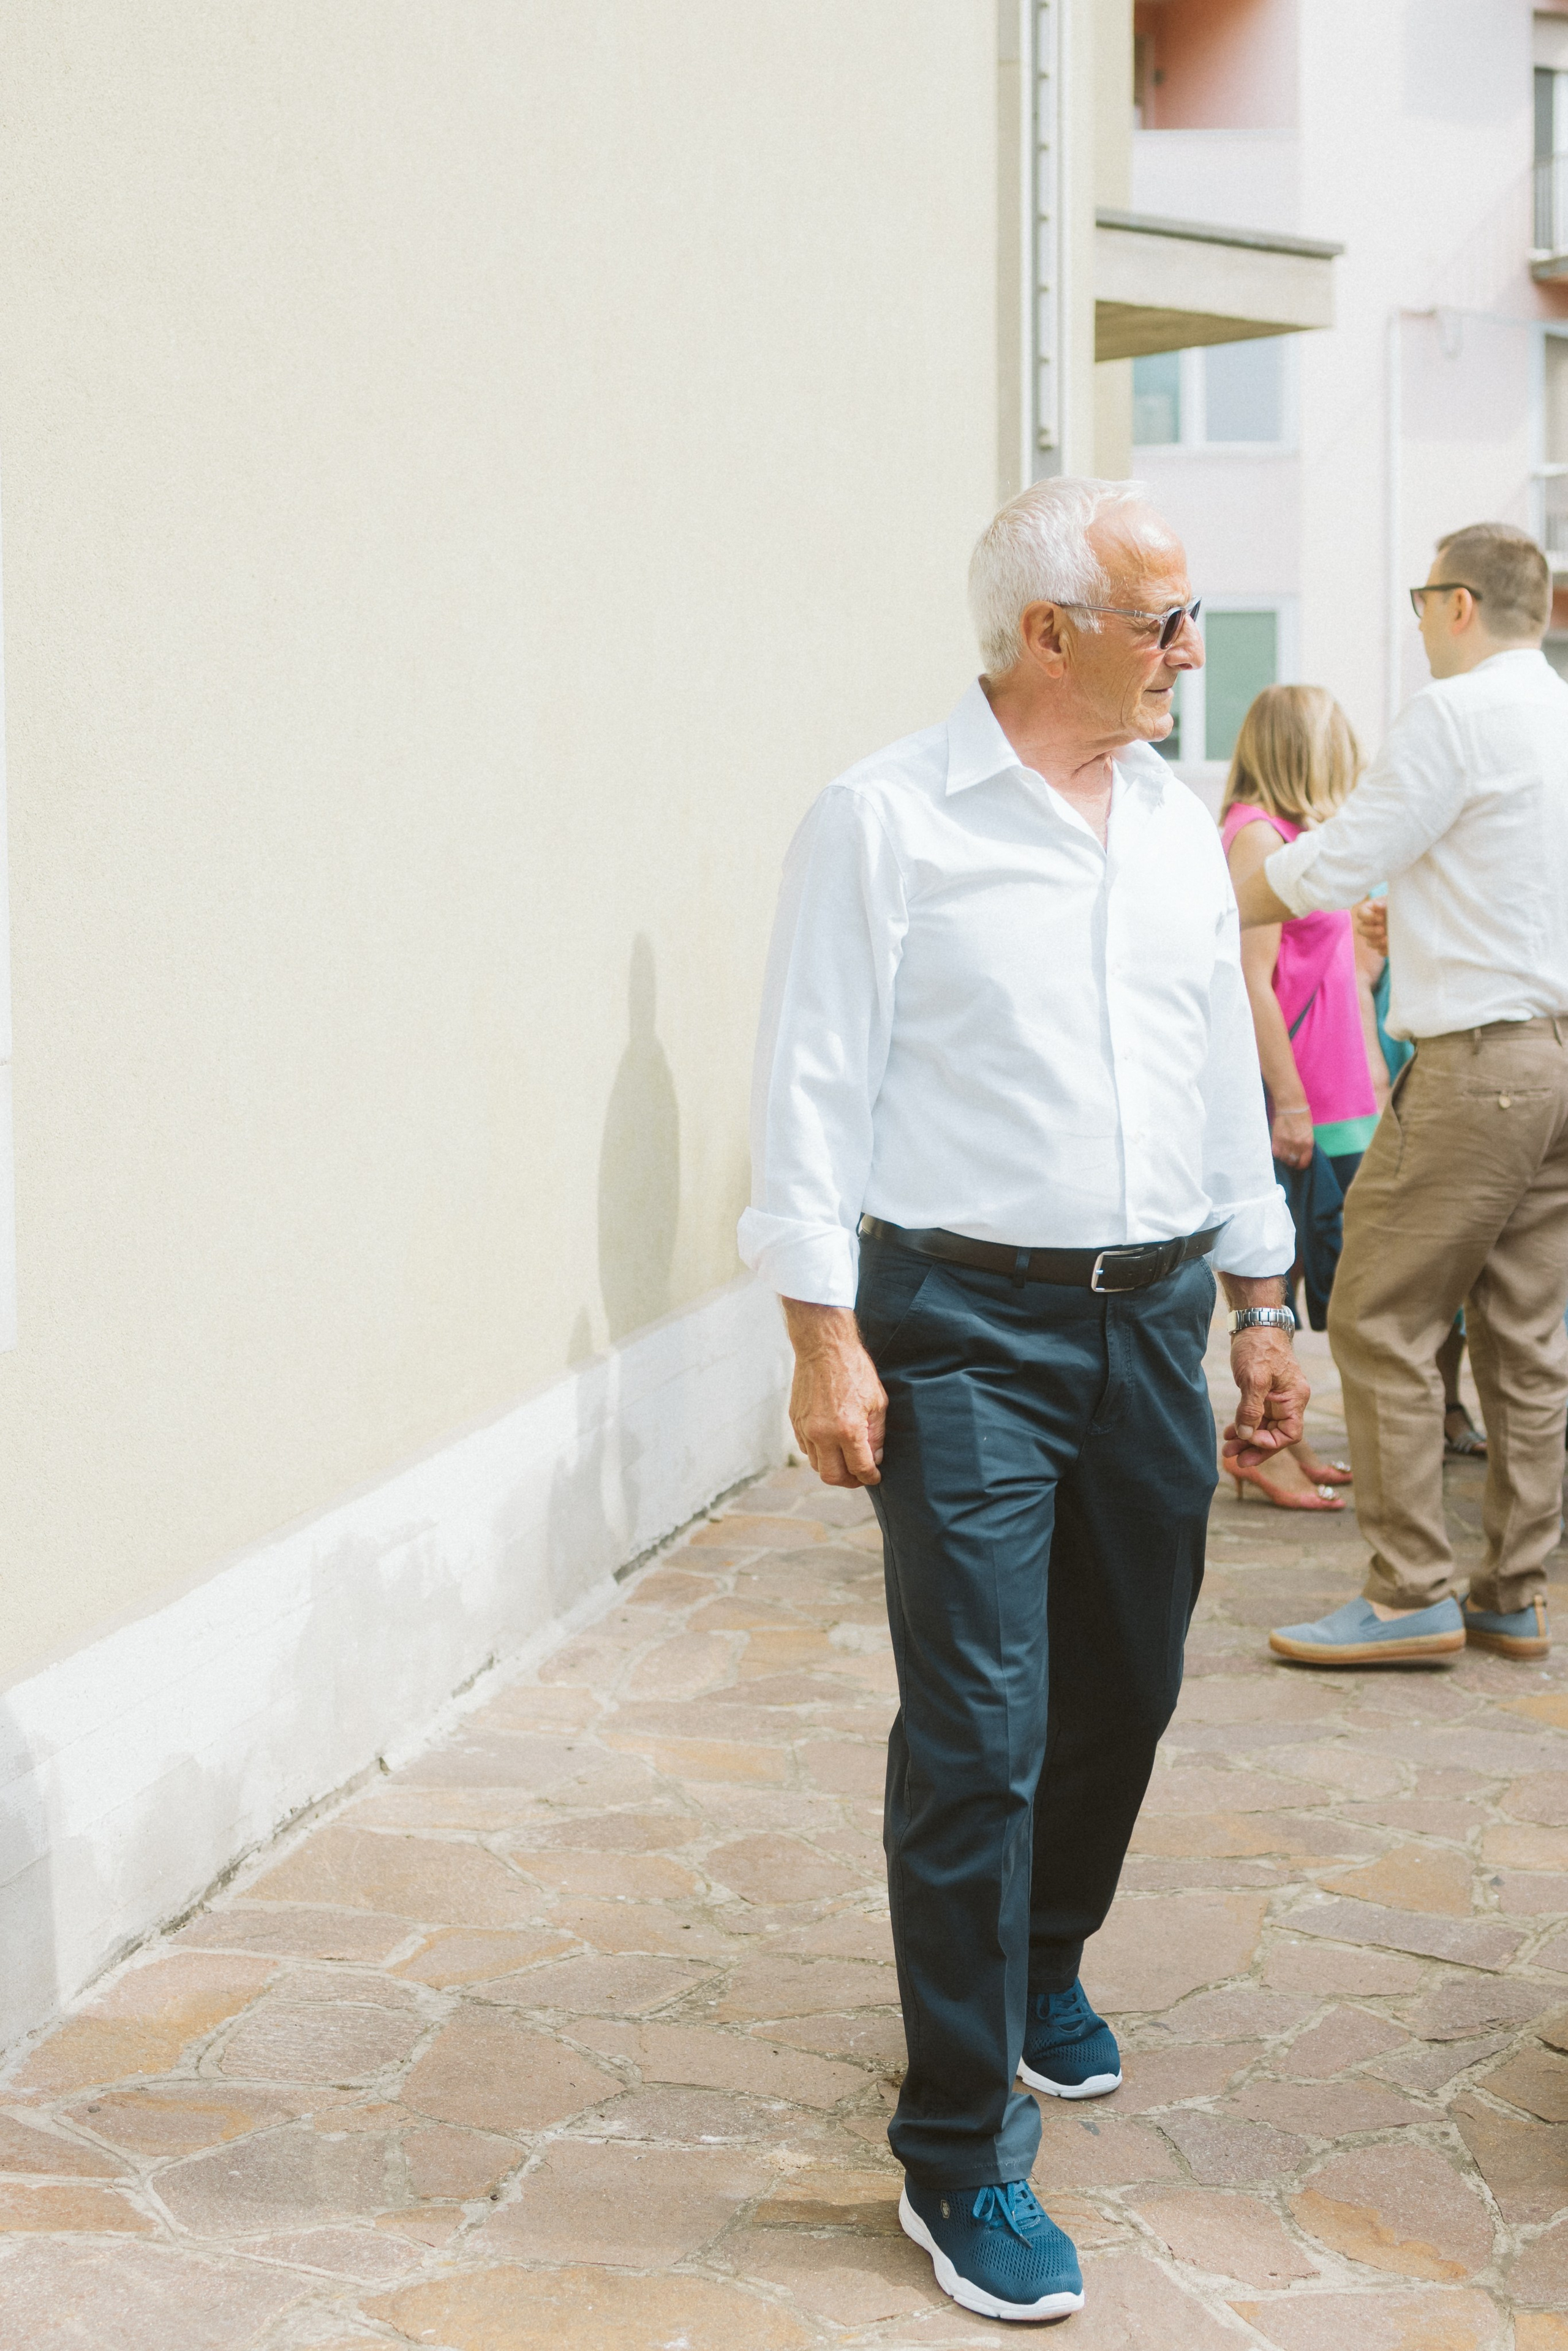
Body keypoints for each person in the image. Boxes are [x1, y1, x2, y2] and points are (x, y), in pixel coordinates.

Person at [739, 477, 1305, 2324]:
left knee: (1128, 1681)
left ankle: (1044, 1953)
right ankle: (963, 2146)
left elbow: (1216, 1065)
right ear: (1046, 630)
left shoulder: (1164, 824)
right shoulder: (887, 818)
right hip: (961, 1321)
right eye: (1163, 622)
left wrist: (1260, 1295)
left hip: (1152, 1318)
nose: (1189, 653)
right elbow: (813, 1082)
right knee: (979, 1725)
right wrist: (825, 1334)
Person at [1233, 521, 1568, 1666]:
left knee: (1376, 1308)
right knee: (1524, 1334)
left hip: (1481, 1070)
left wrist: (1223, 888)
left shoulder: (1457, 713)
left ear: (1462, 603)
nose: (1419, 618)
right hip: (1559, 1060)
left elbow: (1332, 859)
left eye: (1426, 597)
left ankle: (1408, 1591)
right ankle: (1509, 1595)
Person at [1221, 685, 1381, 1509]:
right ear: (1303, 750)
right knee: (1269, 1286)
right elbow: (1252, 984)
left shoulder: (1297, 837)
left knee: (1307, 1288)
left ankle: (1290, 1439)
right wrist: (1288, 1101)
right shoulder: (1255, 836)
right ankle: (1260, 1451)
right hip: (1295, 1105)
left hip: (1338, 1100)